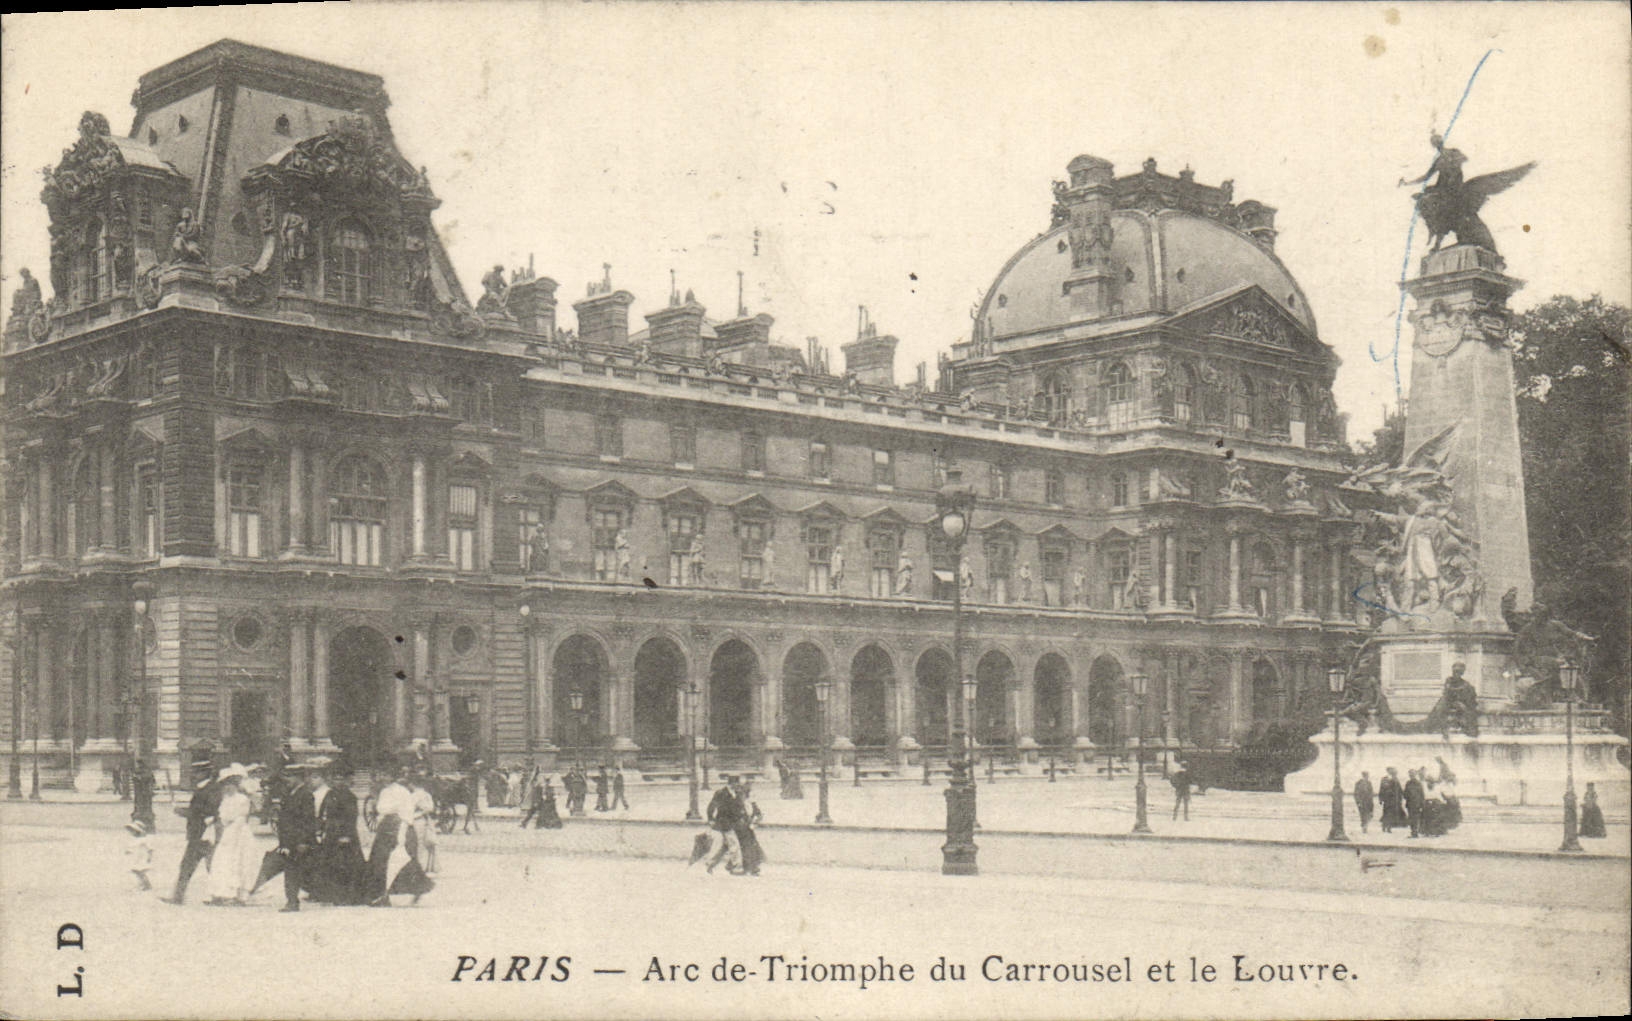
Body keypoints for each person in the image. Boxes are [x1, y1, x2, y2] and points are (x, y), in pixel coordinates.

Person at [365, 765, 433, 907]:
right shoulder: (384, 791)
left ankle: (417, 888)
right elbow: (381, 810)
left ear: (393, 776)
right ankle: (382, 895)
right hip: (385, 828)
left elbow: (407, 813)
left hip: (398, 827)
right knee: (379, 860)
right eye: (381, 774)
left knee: (402, 861)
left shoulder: (402, 792)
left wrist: (402, 834)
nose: (383, 777)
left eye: (386, 774)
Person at [306, 759, 366, 905]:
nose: (337, 781)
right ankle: (328, 895)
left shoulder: (349, 796)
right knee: (328, 864)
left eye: (341, 779)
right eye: (335, 778)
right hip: (331, 833)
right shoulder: (329, 794)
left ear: (346, 780)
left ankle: (347, 897)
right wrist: (319, 828)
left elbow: (351, 817)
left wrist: (346, 836)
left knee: (345, 865)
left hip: (344, 834)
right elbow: (322, 812)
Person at [166, 755, 220, 905]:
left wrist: (184, 812)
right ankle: (178, 896)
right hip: (198, 834)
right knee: (189, 865)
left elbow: (207, 811)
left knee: (209, 866)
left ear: (205, 773)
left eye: (196, 772)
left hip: (204, 834)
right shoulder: (204, 788)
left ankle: (218, 895)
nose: (194, 775)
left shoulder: (211, 789)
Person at [205, 766, 260, 905]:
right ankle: (220, 893)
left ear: (235, 785)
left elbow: (239, 818)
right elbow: (223, 817)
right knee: (222, 862)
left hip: (239, 833)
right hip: (228, 832)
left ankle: (237, 895)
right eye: (225, 785)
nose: (227, 788)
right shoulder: (225, 799)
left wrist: (229, 829)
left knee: (238, 861)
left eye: (230, 785)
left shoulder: (242, 799)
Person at [275, 764, 316, 912]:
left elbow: (308, 820)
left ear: (299, 778)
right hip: (288, 839)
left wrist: (303, 841)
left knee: (294, 870)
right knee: (292, 869)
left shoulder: (306, 794)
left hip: (299, 840)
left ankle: (293, 901)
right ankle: (292, 900)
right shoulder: (289, 794)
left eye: (290, 776)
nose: (287, 780)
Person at [705, 774, 744, 874]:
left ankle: (710, 863)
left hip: (732, 822)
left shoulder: (737, 793)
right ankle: (737, 867)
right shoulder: (720, 793)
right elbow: (711, 806)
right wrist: (710, 818)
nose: (738, 785)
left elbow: (740, 807)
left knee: (722, 846)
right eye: (737, 783)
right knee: (734, 844)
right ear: (732, 784)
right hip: (724, 822)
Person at [408, 772, 439, 873]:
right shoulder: (427, 794)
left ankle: (419, 866)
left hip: (417, 820)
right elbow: (431, 808)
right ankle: (428, 866)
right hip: (427, 820)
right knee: (427, 843)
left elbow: (410, 809)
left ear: (412, 784)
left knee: (418, 843)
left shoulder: (414, 795)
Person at [734, 778, 766, 876]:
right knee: (745, 848)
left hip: (748, 828)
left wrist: (754, 822)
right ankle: (749, 867)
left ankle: (753, 867)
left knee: (750, 847)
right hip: (740, 828)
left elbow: (759, 814)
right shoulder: (737, 803)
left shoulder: (751, 803)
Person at [124, 820, 154, 892]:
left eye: (133, 830)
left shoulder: (144, 839)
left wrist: (149, 857)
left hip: (142, 858)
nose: (131, 832)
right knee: (137, 871)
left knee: (140, 871)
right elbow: (132, 847)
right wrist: (128, 851)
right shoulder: (135, 839)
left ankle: (145, 885)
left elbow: (150, 849)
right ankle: (145, 885)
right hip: (135, 858)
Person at [1378, 767, 1406, 834]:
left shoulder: (1396, 779)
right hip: (1387, 800)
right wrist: (1380, 799)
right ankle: (1384, 826)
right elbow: (1381, 790)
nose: (1393, 772)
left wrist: (1402, 797)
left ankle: (1389, 827)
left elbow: (1399, 789)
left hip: (1395, 800)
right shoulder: (1385, 779)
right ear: (1388, 771)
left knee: (1391, 814)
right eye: (1391, 771)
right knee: (1386, 813)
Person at [1403, 768, 1426, 839]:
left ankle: (1415, 833)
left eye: (1412, 774)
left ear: (1415, 775)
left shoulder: (1418, 783)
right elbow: (1405, 794)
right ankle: (1413, 832)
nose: (1411, 775)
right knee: (1411, 818)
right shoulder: (1408, 783)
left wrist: (1422, 804)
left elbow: (1422, 794)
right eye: (1410, 774)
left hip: (1416, 804)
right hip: (1410, 804)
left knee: (1415, 818)